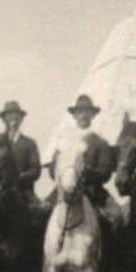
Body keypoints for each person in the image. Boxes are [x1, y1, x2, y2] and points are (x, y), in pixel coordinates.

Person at [45, 94, 115, 224]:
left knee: (116, 217)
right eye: (80, 112)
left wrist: (84, 172)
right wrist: (63, 173)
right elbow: (52, 168)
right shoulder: (64, 140)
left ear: (93, 115)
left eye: (87, 112)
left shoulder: (100, 143)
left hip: (92, 191)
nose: (83, 115)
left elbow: (105, 173)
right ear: (74, 115)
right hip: (63, 189)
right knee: (41, 214)